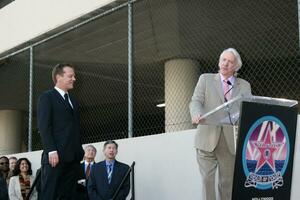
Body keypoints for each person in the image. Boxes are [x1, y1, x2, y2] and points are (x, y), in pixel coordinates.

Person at [189, 48, 252, 200]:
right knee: (207, 180)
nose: (225, 64)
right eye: (223, 59)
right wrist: (196, 113)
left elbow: (249, 108)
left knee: (227, 183)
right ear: (219, 61)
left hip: (229, 139)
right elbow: (196, 100)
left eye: (230, 62)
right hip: (207, 136)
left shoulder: (244, 85)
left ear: (236, 67)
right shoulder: (206, 79)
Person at [37, 63, 84, 200]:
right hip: (55, 157)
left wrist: (78, 151)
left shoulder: (73, 101)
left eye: (74, 76)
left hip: (73, 158)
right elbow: (44, 126)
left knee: (69, 195)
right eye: (70, 76)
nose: (74, 79)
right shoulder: (47, 97)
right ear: (58, 77)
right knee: (50, 194)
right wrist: (51, 150)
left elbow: (75, 128)